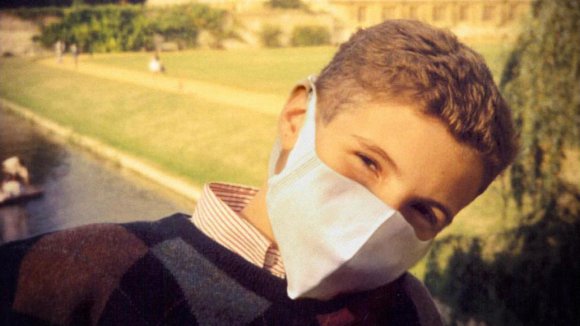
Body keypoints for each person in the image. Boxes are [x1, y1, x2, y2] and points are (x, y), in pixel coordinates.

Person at [0, 20, 517, 325]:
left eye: (424, 210)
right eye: (368, 162)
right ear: (297, 120)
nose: (379, 217)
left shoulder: (411, 311)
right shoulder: (72, 275)